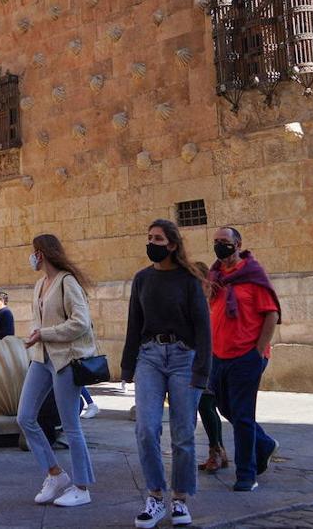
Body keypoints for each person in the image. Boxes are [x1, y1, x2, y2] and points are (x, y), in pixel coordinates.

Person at [120, 219, 212, 528]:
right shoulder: (142, 279)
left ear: (172, 245)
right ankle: (156, 496)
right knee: (146, 429)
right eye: (149, 237)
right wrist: (127, 366)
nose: (152, 243)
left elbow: (203, 326)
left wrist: (203, 370)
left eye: (158, 238)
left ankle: (181, 499)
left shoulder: (188, 279)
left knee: (183, 434)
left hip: (184, 358)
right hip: (149, 356)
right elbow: (134, 323)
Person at [17, 234, 98, 508]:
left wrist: (44, 334)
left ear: (41, 253)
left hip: (65, 360)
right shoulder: (40, 284)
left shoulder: (67, 281)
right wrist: (34, 337)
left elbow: (81, 323)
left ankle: (82, 487)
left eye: (33, 252)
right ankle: (55, 474)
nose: (31, 257)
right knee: (25, 416)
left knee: (72, 426)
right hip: (41, 358)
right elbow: (40, 321)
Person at [207, 226, 282, 492]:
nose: (219, 246)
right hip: (219, 356)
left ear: (237, 243)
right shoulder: (214, 277)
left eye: (224, 241)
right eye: (215, 241)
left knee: (242, 414)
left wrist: (257, 351)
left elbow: (271, 314)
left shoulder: (253, 276)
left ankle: (246, 475)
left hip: (246, 356)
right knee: (227, 409)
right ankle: (264, 444)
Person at [190, 261, 228, 473]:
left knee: (206, 405)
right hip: (201, 359)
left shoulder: (209, 302)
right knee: (206, 406)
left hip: (210, 359)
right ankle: (218, 451)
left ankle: (217, 451)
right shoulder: (199, 301)